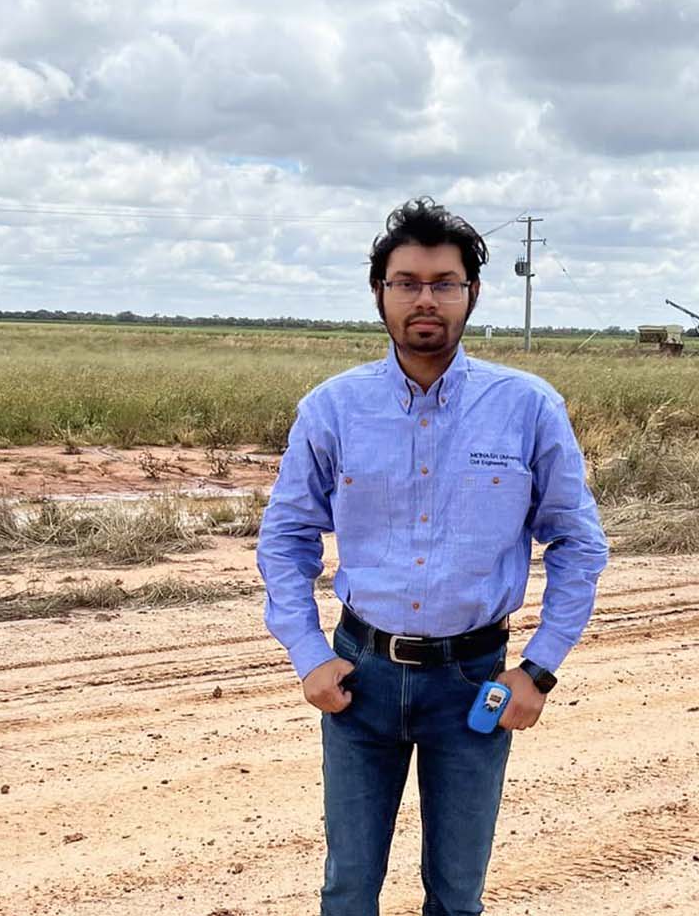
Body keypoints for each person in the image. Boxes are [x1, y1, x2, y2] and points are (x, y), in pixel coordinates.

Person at [257, 197, 608, 915]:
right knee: (348, 888)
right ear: (380, 293)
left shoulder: (527, 407)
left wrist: (538, 669)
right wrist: (305, 652)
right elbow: (285, 536)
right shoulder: (333, 408)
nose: (426, 298)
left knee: (456, 894)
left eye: (444, 282)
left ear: (472, 294)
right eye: (407, 281)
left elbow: (578, 541)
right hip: (362, 678)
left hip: (473, 684)